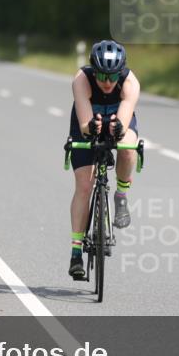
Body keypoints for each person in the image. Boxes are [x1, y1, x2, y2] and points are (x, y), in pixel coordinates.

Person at [66, 40, 141, 280]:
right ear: (93, 71)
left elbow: (124, 119)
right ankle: (76, 252)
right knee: (85, 186)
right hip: (87, 122)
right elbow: (86, 125)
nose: (107, 82)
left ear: (120, 73)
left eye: (112, 77)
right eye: (101, 76)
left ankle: (121, 195)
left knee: (128, 147)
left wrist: (116, 129)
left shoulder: (130, 82)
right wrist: (92, 128)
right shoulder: (81, 79)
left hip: (118, 120)